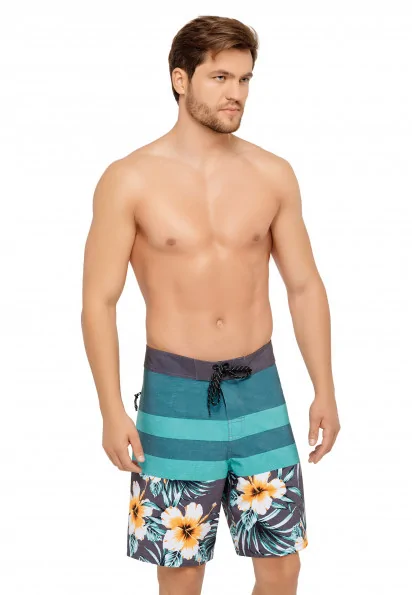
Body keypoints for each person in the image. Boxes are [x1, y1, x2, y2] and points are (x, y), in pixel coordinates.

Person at [81, 14, 341, 595]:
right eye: (220, 78)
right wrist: (110, 408)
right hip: (174, 395)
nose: (236, 93)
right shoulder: (129, 179)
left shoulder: (272, 174)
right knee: (181, 573)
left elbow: (304, 286)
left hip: (260, 390)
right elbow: (99, 300)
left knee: (283, 565)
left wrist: (324, 387)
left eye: (244, 79)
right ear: (181, 80)